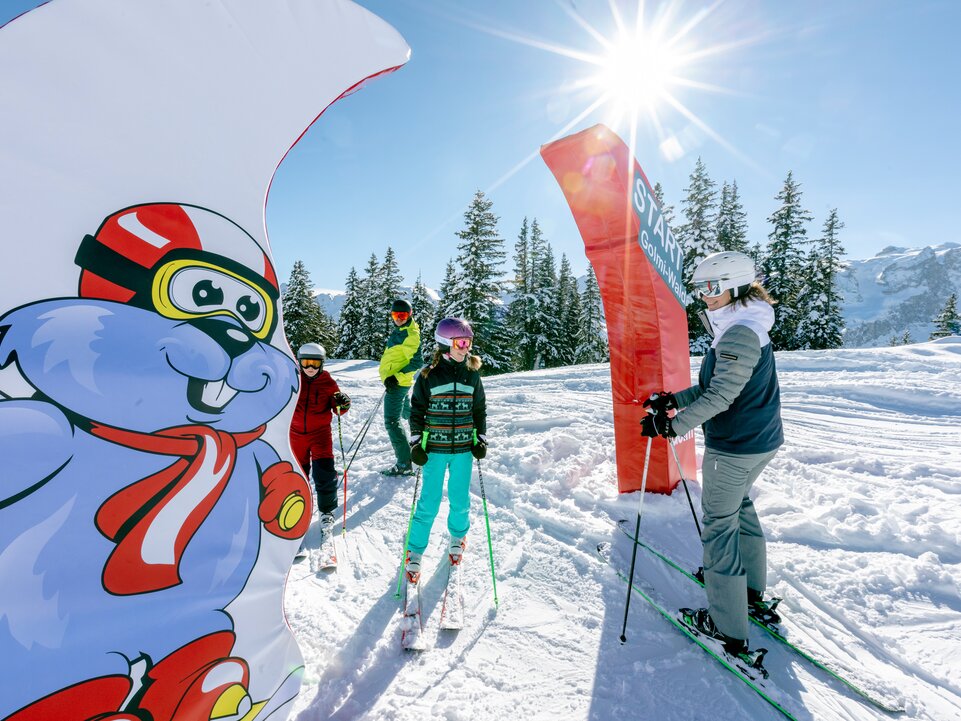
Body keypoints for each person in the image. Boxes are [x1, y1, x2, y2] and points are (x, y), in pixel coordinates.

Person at [640, 251, 784, 657]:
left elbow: (722, 395)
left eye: (710, 288)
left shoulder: (738, 330)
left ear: (734, 285)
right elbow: (715, 384)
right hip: (760, 441)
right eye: (699, 288)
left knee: (720, 527)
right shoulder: (747, 321)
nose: (703, 296)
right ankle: (750, 593)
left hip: (735, 445)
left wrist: (672, 426)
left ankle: (726, 628)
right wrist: (674, 400)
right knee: (740, 510)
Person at [403, 317, 487, 584]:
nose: (466, 347)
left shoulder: (472, 374)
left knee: (460, 500)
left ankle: (458, 537)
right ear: (444, 343)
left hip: (463, 449)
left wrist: (480, 439)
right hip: (435, 450)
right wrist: (416, 443)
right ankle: (415, 551)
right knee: (427, 503)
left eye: (469, 342)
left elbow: (479, 409)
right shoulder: (428, 375)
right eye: (461, 342)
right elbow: (416, 410)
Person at [289, 343, 350, 546]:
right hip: (295, 435)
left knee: (324, 474)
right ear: (300, 362)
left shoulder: (327, 382)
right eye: (306, 363)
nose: (310, 368)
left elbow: (338, 409)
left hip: (320, 435)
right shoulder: (293, 379)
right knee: (297, 475)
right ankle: (295, 511)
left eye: (315, 364)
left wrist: (342, 403)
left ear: (322, 364)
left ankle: (326, 513)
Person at [378, 298, 422, 476]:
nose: (398, 318)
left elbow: (417, 361)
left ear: (409, 315)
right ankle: (422, 439)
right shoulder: (401, 330)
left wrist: (394, 377)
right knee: (406, 413)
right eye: (395, 315)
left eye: (402, 315)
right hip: (397, 382)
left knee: (391, 421)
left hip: (398, 384)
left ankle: (404, 463)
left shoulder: (410, 334)